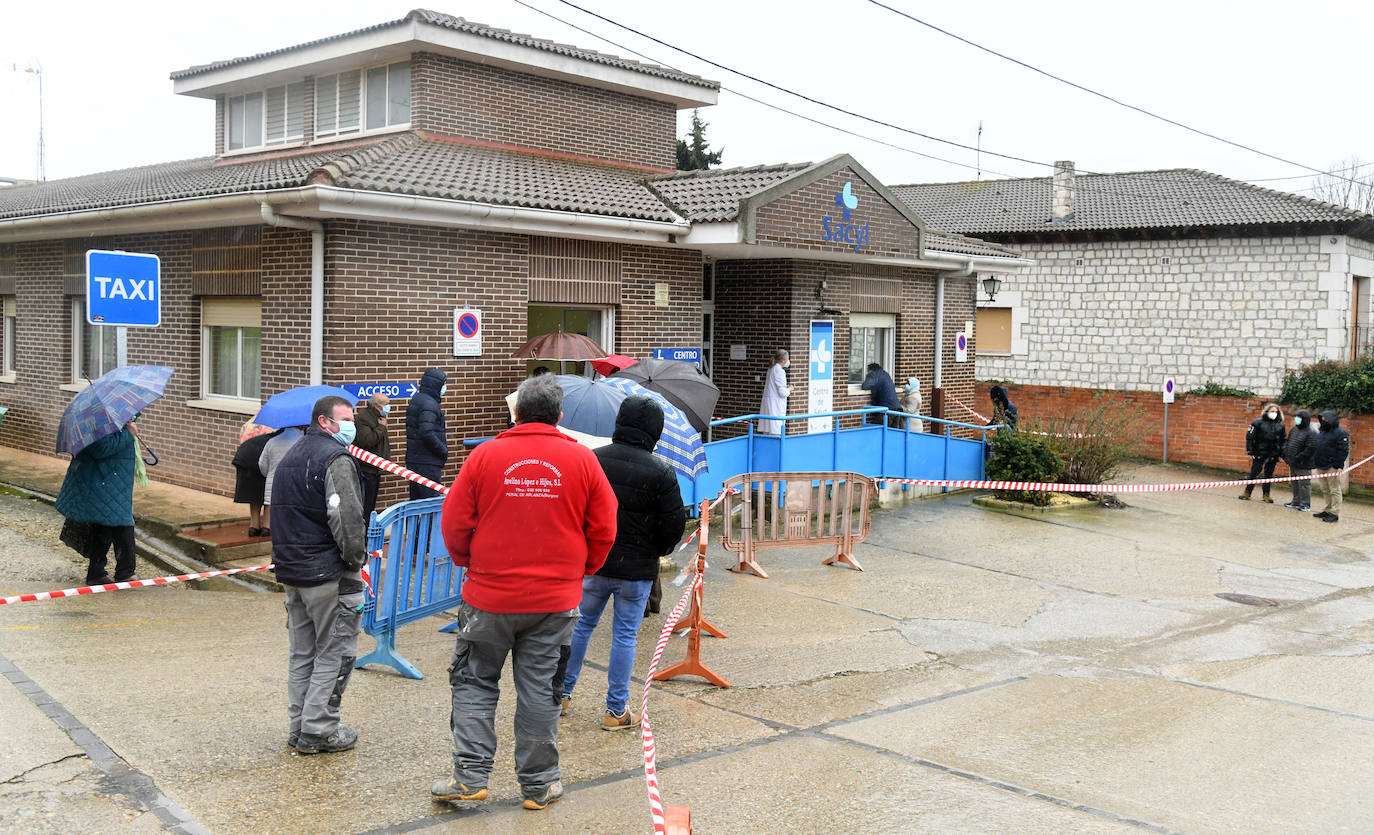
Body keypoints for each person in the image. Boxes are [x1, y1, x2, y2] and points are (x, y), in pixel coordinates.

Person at [433, 374, 617, 811]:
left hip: (488, 597)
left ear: (515, 413)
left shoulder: (485, 456)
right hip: (555, 602)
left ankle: (470, 778)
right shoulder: (583, 461)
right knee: (540, 690)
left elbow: (454, 521)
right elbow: (605, 528)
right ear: (559, 415)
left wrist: (469, 562)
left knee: (475, 683)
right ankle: (538, 785)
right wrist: (580, 570)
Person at [561, 396, 686, 731]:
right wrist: (655, 550)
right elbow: (673, 526)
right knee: (625, 636)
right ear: (654, 431)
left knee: (582, 626)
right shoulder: (662, 472)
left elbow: (574, 510)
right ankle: (615, 711)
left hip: (593, 564)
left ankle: (560, 693)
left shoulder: (592, 460)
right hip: (636, 571)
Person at [271, 396, 368, 755]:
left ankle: (299, 726)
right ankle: (319, 729)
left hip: (293, 571)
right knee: (335, 652)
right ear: (325, 422)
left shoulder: (290, 456)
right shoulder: (336, 460)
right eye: (346, 418)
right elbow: (346, 520)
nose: (352, 424)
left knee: (302, 654)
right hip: (328, 574)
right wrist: (354, 561)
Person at [56, 419, 139, 585]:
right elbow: (100, 448)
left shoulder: (113, 418)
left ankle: (98, 573)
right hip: (103, 479)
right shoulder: (94, 421)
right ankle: (123, 572)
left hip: (111, 480)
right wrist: (128, 434)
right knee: (120, 525)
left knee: (104, 525)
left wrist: (128, 426)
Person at [406, 368, 448, 499]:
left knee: (417, 502)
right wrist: (442, 450)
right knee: (430, 502)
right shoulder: (429, 404)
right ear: (436, 385)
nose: (445, 388)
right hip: (427, 461)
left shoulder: (418, 399)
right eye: (444, 384)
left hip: (416, 458)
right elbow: (426, 432)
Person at [232, 427, 279, 537]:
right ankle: (267, 528)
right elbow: (264, 464)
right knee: (269, 493)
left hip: (244, 456)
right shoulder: (287, 441)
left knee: (254, 494)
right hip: (255, 460)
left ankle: (254, 527)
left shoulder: (270, 436)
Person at [353, 392, 391, 518]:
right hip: (366, 470)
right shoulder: (363, 418)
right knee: (366, 505)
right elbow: (367, 441)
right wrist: (381, 428)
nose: (388, 407)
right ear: (376, 405)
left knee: (371, 504)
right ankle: (363, 535)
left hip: (375, 468)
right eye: (386, 404)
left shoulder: (379, 417)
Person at [1239, 402, 1286, 503]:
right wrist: (1250, 451)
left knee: (1268, 476)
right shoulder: (1257, 422)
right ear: (1267, 411)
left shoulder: (1280, 425)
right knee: (1253, 474)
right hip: (1259, 453)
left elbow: (1283, 440)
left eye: (1276, 412)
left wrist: (1282, 454)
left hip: (1273, 454)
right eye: (1272, 411)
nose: (1274, 413)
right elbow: (1249, 437)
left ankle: (1266, 495)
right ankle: (1247, 493)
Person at [259, 425, 304, 525]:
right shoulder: (303, 442)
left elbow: (262, 464)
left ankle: (266, 528)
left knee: (269, 504)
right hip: (294, 482)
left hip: (273, 481)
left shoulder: (271, 442)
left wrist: (268, 474)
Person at [1312, 409, 1349, 524]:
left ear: (1332, 420)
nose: (1323, 421)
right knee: (1325, 489)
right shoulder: (1322, 431)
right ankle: (1327, 509)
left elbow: (1343, 451)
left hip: (1332, 466)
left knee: (1334, 490)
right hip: (1320, 465)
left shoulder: (1341, 433)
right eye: (1322, 419)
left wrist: (1337, 466)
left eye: (1326, 419)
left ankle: (1334, 513)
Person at [1282, 409, 1317, 512]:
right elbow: (1288, 442)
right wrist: (1285, 454)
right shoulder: (1294, 429)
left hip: (1303, 464)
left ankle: (1305, 504)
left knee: (1304, 484)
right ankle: (1295, 501)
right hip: (1292, 462)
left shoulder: (1311, 432)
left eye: (1299, 418)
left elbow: (1310, 448)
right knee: (1295, 483)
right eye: (1296, 417)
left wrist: (1299, 458)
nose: (1296, 419)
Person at [759, 349, 792, 435]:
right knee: (775, 434)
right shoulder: (779, 371)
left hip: (769, 405)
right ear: (783, 360)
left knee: (767, 434)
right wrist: (789, 389)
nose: (788, 361)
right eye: (788, 359)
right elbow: (782, 392)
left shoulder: (771, 369)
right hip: (775, 407)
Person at [860, 363, 903, 428]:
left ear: (871, 370)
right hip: (896, 409)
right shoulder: (885, 374)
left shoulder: (874, 374)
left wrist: (868, 377)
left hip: (887, 410)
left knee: (875, 429)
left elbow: (865, 386)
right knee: (892, 433)